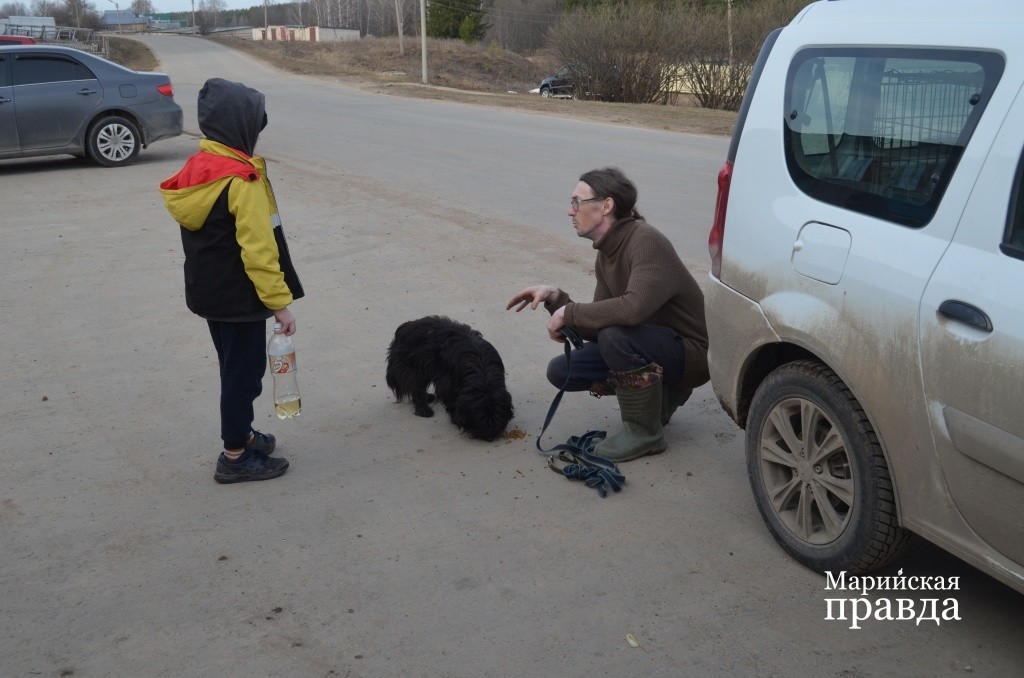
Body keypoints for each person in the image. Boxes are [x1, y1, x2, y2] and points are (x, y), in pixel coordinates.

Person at [507, 167, 708, 463]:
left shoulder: (645, 240)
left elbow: (631, 309)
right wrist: (555, 298)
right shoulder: (606, 253)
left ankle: (646, 433)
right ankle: (659, 398)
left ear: (606, 206)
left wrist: (569, 313)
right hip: (647, 343)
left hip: (691, 354)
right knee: (563, 371)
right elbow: (598, 324)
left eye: (577, 202)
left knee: (616, 336)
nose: (569, 211)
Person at [160, 78, 304, 484]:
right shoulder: (241, 180)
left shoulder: (198, 167)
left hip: (210, 293)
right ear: (239, 127)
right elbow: (259, 252)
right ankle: (235, 455)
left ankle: (242, 433)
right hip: (240, 297)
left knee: (232, 368)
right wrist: (280, 303)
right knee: (243, 376)